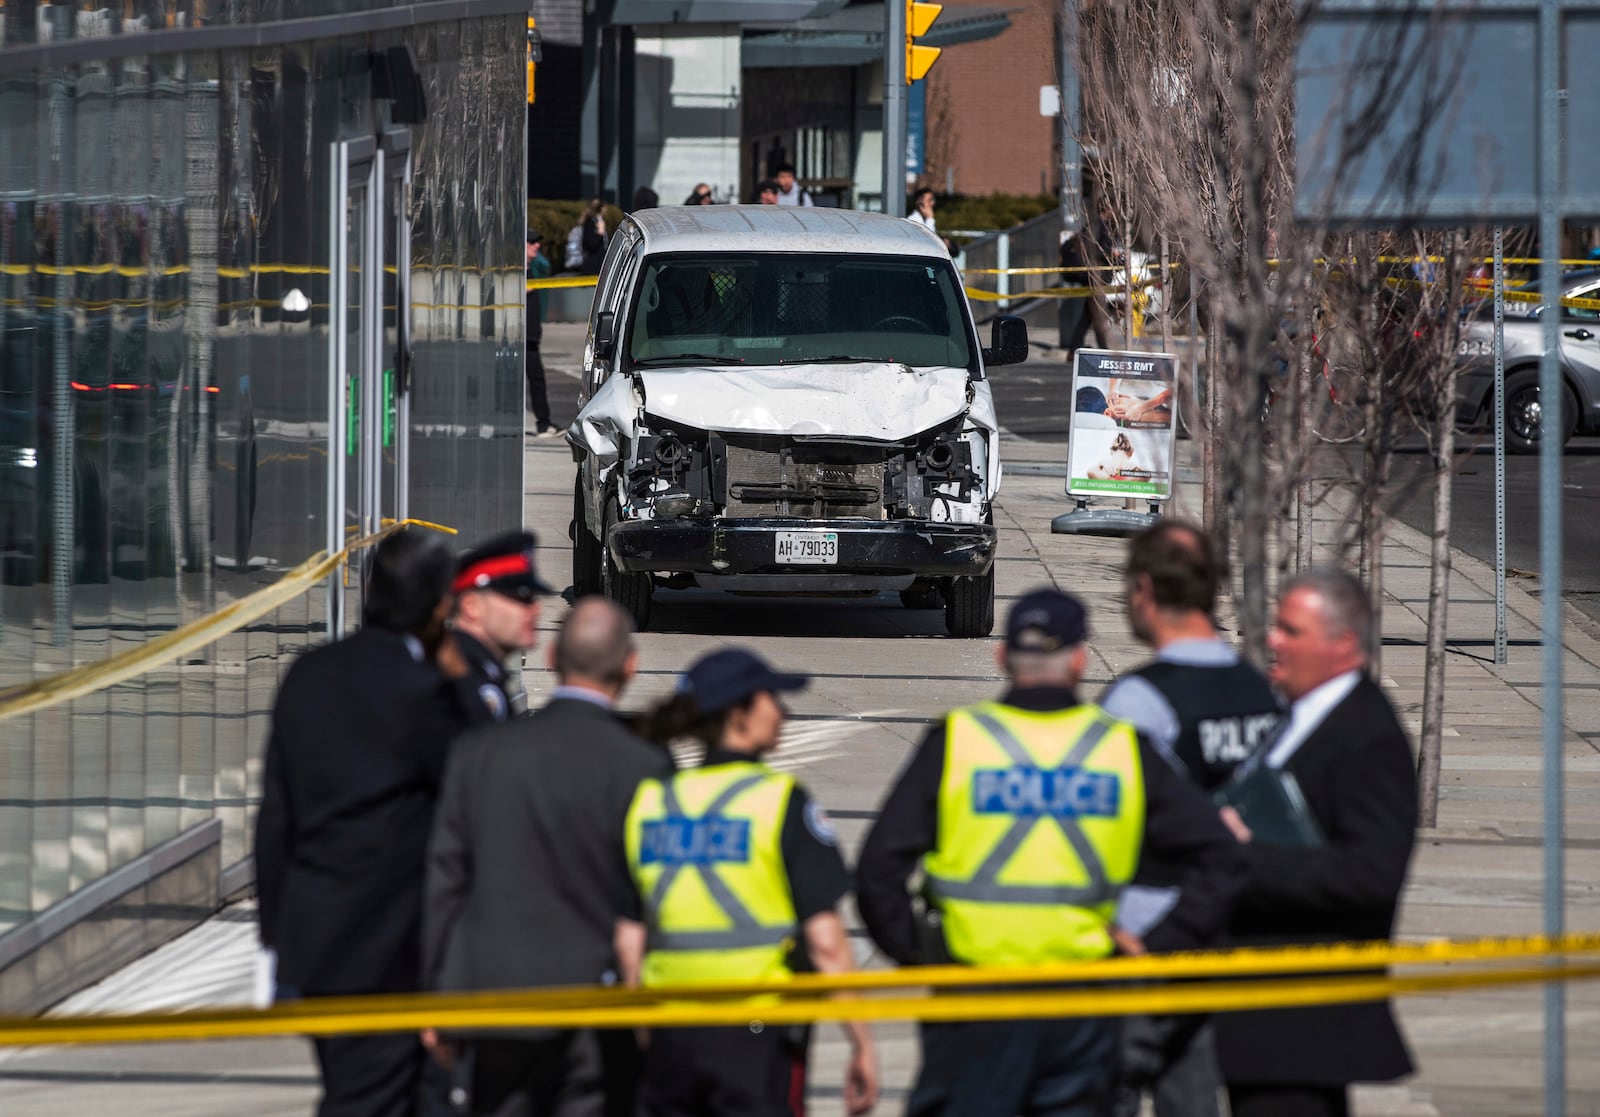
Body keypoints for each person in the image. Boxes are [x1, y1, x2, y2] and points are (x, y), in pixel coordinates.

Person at [855, 588, 1247, 1117]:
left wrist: (921, 953)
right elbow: (1222, 858)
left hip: (973, 997)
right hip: (1080, 1003)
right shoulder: (1123, 750)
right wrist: (1157, 944)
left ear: (1003, 657)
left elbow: (878, 870)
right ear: (1081, 660)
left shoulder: (956, 743)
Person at [424, 597, 673, 1117]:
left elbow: (445, 880)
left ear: (553, 655)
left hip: (495, 996)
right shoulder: (646, 767)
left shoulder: (481, 753)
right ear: (630, 664)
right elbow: (659, 896)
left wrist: (436, 996)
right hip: (597, 1006)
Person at [619, 649, 879, 1117]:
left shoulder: (652, 803)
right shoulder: (779, 803)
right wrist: (861, 1041)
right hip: (755, 1032)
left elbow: (630, 939)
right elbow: (827, 944)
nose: (783, 711)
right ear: (739, 714)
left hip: (670, 1031)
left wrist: (645, 1031)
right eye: (771, 699)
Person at [255, 529, 461, 1117]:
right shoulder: (425, 690)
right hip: (392, 946)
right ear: (436, 607)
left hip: (317, 938)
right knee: (373, 1096)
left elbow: (277, 817)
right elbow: (469, 782)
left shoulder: (309, 674)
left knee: (364, 1086)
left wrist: (277, 937)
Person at [1214, 570, 1418, 1117]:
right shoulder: (1298, 716)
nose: (1272, 641)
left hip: (1301, 1022)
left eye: (1290, 630)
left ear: (1342, 645)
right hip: (1259, 1015)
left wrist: (1243, 858)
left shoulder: (1368, 735)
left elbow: (1370, 874)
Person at [1099, 522, 1284, 1117]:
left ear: (1145, 590)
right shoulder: (1262, 693)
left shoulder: (1137, 701)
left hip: (1143, 935)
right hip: (1230, 933)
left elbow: (1100, 823)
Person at [443, 530, 550, 725]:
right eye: (520, 598)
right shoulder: (464, 682)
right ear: (471, 606)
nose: (535, 609)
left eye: (532, 598)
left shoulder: (477, 669)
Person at [524, 231, 554, 436]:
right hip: (519, 338)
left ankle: (544, 423)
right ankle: (543, 423)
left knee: (537, 380)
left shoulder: (530, 270)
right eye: (532, 242)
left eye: (537, 242)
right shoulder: (514, 271)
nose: (536, 246)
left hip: (531, 337)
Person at [579, 198, 607, 275]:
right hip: (593, 268)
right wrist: (600, 233)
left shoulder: (600, 221)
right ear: (601, 208)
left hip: (600, 265)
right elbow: (591, 244)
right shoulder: (591, 223)